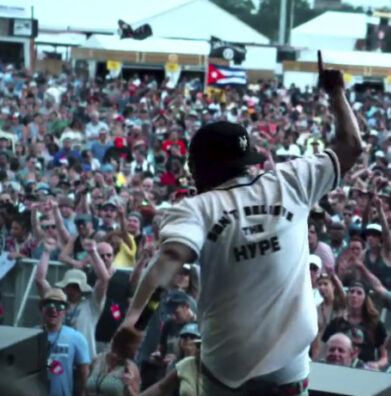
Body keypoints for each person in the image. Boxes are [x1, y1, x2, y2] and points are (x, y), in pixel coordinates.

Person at [119, 63, 363, 395]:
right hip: (289, 378)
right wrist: (336, 92)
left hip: (224, 374)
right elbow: (351, 145)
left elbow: (169, 262)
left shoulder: (196, 207)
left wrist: (137, 321)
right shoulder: (291, 180)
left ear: (198, 170)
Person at [36, 236, 111, 359]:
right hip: (59, 359)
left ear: (82, 289)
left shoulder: (92, 304)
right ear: (65, 287)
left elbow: (104, 279)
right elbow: (40, 280)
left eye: (76, 287)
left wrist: (93, 252)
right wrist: (46, 252)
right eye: (70, 286)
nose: (73, 290)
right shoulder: (58, 300)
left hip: (85, 359)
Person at [321, 281, 388, 369]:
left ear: (365, 298)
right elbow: (323, 350)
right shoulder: (336, 323)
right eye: (351, 291)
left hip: (365, 370)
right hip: (339, 368)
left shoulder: (376, 325)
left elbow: (384, 358)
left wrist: (376, 364)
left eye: (359, 293)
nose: (354, 295)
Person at [41, 288, 92, 396]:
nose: (54, 309)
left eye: (60, 306)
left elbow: (84, 374)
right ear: (42, 309)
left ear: (65, 311)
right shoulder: (31, 335)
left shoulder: (76, 338)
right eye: (49, 305)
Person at [86, 327, 142, 396]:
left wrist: (128, 387)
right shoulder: (97, 360)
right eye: (136, 349)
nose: (137, 353)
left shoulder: (131, 369)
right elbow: (84, 388)